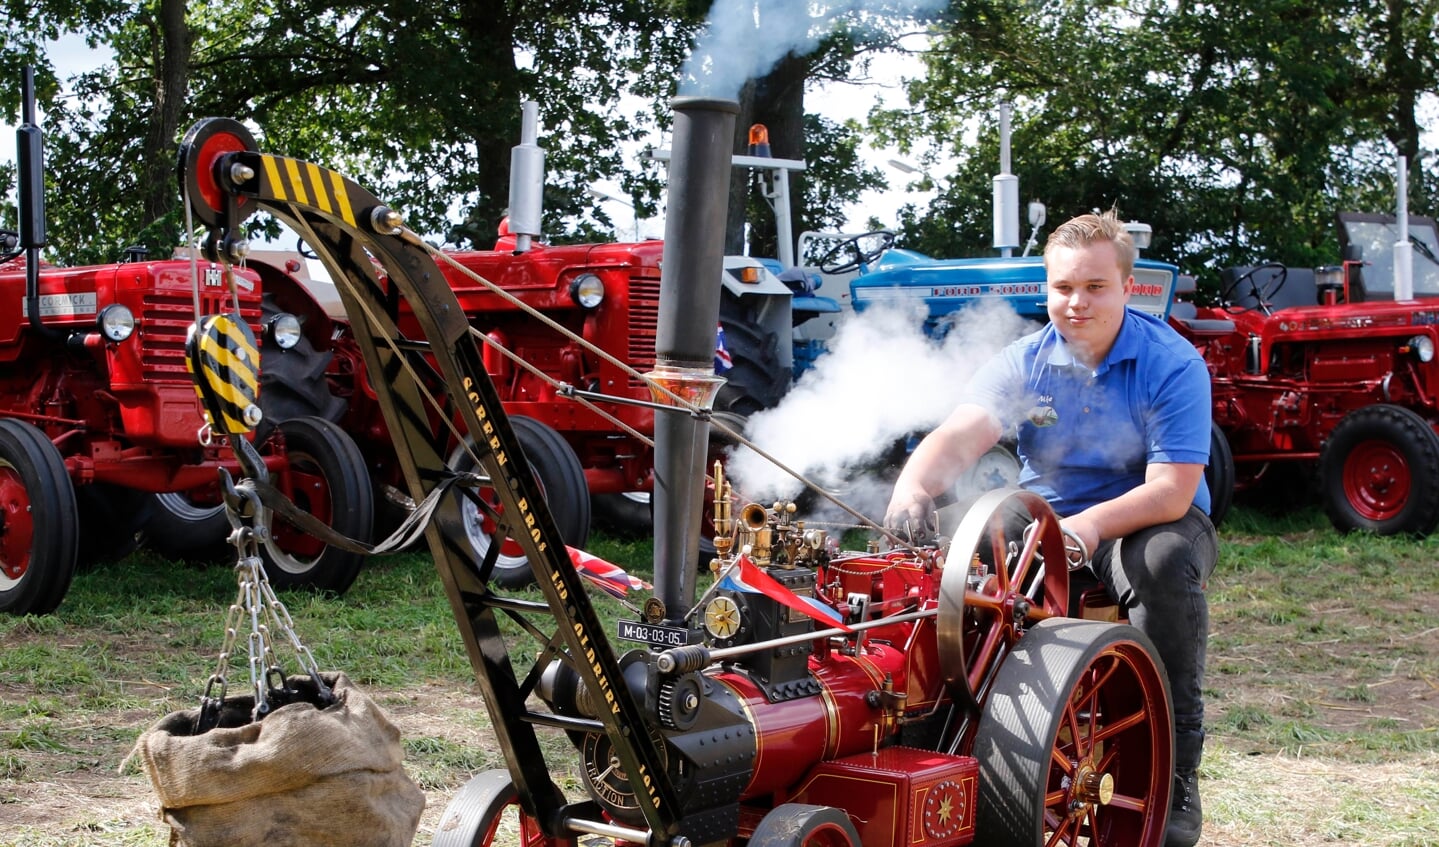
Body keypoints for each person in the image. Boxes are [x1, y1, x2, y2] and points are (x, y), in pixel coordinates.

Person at [885, 211, 1217, 847]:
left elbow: (1172, 489)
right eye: (1064, 287)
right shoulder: (1024, 362)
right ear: (1046, 288)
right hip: (1048, 513)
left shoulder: (1174, 364)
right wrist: (913, 487)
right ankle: (925, 737)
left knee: (1163, 564)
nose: (1077, 302)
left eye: (1095, 287)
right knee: (947, 553)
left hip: (1151, 518)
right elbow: (961, 434)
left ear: (1127, 287)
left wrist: (1086, 529)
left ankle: (1174, 780)